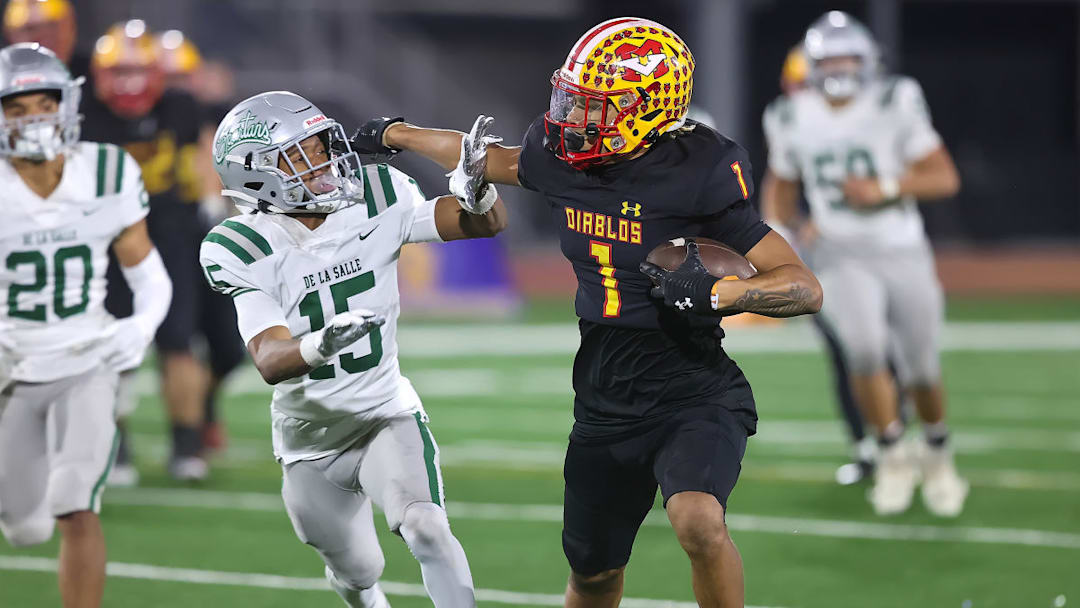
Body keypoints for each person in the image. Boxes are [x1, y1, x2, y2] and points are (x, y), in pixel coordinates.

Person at [358, 17, 822, 608]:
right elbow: (488, 159)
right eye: (575, 101)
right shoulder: (562, 156)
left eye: (597, 106)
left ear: (650, 108)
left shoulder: (697, 170)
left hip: (691, 384)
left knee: (698, 521)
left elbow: (803, 286)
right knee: (594, 575)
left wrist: (717, 294)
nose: (576, 119)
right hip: (604, 393)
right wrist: (399, 134)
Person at [199, 91, 507, 608]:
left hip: (386, 413)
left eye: (319, 145)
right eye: (299, 155)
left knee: (427, 528)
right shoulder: (240, 245)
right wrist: (322, 344)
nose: (322, 161)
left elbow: (482, 225)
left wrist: (480, 194)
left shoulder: (377, 192)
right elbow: (270, 360)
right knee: (360, 571)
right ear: (254, 173)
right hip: (309, 440)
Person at [760, 11, 967, 516]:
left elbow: (943, 177)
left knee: (920, 364)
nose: (838, 68)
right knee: (865, 350)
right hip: (839, 250)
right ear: (809, 65)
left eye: (847, 57)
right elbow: (781, 186)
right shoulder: (790, 115)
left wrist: (887, 189)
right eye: (828, 59)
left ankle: (937, 451)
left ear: (868, 61)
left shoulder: (895, 100)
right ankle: (892, 452)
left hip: (901, 246)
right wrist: (784, 235)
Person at [0, 42, 170, 607]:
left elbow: (150, 277)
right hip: (11, 366)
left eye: (43, 104)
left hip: (86, 358)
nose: (32, 119)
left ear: (66, 106)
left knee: (76, 504)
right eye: (16, 108)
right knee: (24, 527)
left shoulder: (107, 169)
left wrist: (138, 329)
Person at [84, 20, 246, 481]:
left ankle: (187, 444)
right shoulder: (85, 113)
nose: (129, 82)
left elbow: (202, 153)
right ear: (98, 76)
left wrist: (215, 204)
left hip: (172, 230)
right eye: (118, 72)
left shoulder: (180, 105)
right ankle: (115, 444)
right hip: (108, 234)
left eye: (137, 70)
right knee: (112, 345)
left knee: (179, 340)